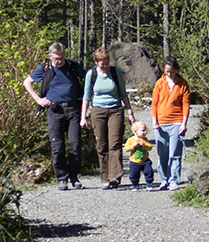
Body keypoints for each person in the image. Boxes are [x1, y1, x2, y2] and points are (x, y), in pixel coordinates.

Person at [23, 42, 85, 190]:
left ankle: (74, 176)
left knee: (75, 145)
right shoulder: (45, 68)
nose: (59, 61)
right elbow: (27, 82)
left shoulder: (72, 66)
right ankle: (62, 178)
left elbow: (88, 78)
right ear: (50, 56)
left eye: (62, 58)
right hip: (55, 111)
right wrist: (38, 100)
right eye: (56, 58)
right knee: (57, 146)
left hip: (73, 109)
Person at [79, 46, 133, 189]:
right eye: (102, 63)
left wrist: (130, 111)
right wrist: (83, 117)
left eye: (107, 62)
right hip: (97, 111)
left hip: (115, 110)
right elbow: (86, 96)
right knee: (101, 145)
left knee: (115, 143)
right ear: (96, 62)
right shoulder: (91, 74)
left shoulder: (115, 72)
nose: (105, 66)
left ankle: (115, 176)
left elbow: (123, 93)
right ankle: (105, 177)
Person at [150, 56, 190, 191]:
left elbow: (186, 104)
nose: (169, 74)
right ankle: (164, 179)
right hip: (161, 123)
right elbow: (154, 103)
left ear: (176, 70)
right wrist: (154, 121)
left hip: (176, 122)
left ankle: (174, 179)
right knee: (162, 154)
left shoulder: (183, 84)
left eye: (171, 71)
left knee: (175, 153)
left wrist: (184, 123)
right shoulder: (159, 83)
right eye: (167, 71)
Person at [123, 121, 155, 189]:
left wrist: (144, 145)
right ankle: (135, 185)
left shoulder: (145, 139)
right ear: (135, 131)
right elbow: (126, 149)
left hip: (145, 160)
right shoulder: (131, 140)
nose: (145, 132)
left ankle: (149, 183)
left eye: (145, 130)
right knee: (134, 174)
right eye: (143, 130)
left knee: (149, 172)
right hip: (134, 161)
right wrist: (133, 146)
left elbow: (150, 147)